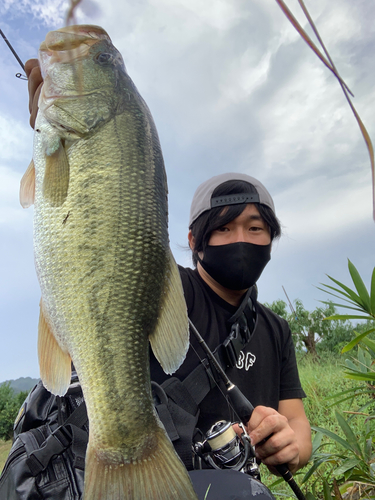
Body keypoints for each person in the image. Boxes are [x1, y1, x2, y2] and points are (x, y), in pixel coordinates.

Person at [7, 60, 311, 487]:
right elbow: (101, 236)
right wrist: (56, 134)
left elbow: (297, 420)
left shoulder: (275, 331)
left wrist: (292, 444)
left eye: (255, 228)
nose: (240, 238)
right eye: (223, 228)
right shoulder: (160, 286)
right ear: (193, 240)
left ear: (272, 238)